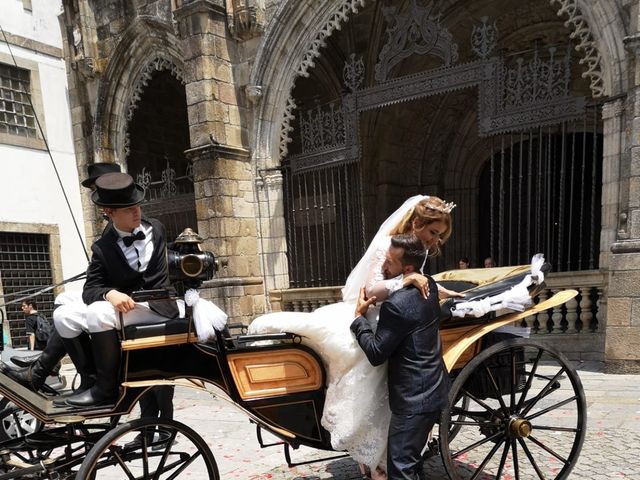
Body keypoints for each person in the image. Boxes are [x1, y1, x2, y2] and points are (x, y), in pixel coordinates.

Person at [249, 195, 456, 477]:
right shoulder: (389, 246)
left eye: (440, 236)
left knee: (391, 399)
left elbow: (416, 286)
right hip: (379, 318)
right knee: (370, 385)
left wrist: (436, 287)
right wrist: (403, 281)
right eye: (433, 233)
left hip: (400, 324)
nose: (436, 241)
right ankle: (380, 461)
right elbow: (371, 289)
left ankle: (389, 460)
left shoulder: (413, 252)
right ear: (417, 223)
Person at [54, 172, 180, 407]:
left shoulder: (157, 229)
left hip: (158, 305)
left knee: (98, 313)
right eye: (127, 209)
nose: (136, 212)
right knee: (63, 316)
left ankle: (107, 389)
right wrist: (109, 293)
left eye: (137, 206)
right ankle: (90, 381)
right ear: (109, 213)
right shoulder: (103, 246)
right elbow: (90, 289)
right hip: (128, 308)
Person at [0, 163, 122, 395]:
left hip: (119, 296)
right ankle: (47, 369)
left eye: (97, 188)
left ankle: (45, 372)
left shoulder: (125, 219)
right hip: (107, 292)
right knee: (63, 300)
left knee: (66, 311)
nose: (95, 196)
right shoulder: (113, 223)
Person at [352, 234, 449, 480]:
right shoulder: (430, 286)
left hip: (413, 400)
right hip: (434, 389)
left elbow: (376, 353)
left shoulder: (397, 304)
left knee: (401, 469)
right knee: (410, 463)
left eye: (389, 262)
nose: (383, 267)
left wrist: (359, 320)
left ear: (406, 268)